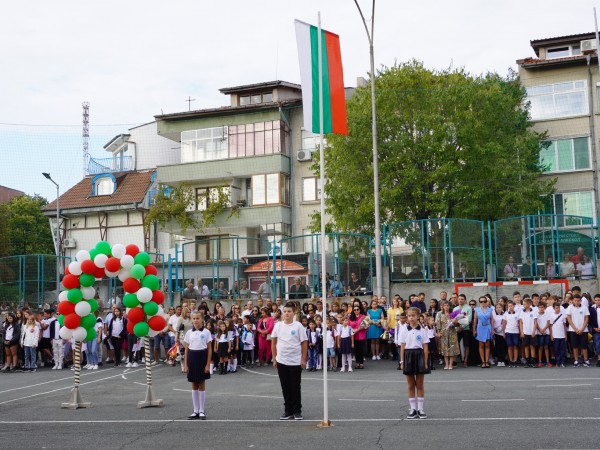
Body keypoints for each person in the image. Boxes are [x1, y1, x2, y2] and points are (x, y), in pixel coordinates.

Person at [271, 302, 308, 420]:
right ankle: (288, 410)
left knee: (295, 386)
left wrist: (303, 359)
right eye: (285, 311)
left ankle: (297, 411)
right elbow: (273, 342)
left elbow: (304, 343)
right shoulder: (278, 325)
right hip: (282, 360)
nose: (286, 314)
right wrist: (275, 358)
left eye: (289, 311)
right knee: (285, 386)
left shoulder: (298, 326)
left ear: (294, 313)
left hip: (295, 361)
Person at [399, 307, 429, 420]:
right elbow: (402, 346)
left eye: (413, 315)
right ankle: (412, 409)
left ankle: (421, 409)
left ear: (418, 316)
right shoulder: (403, 329)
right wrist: (402, 361)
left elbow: (425, 347)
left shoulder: (423, 330)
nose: (411, 317)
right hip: (408, 356)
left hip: (419, 355)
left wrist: (425, 362)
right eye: (409, 315)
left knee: (420, 384)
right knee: (411, 384)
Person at [183, 312, 212, 420]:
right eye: (194, 318)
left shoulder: (207, 332)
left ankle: (201, 410)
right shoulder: (189, 333)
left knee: (201, 383)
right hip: (192, 358)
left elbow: (209, 349)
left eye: (198, 318)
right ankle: (195, 410)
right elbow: (186, 349)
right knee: (194, 384)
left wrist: (208, 364)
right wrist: (185, 365)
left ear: (202, 320)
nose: (195, 320)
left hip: (202, 357)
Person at [566, 294, 590, 367]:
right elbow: (569, 319)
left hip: (584, 330)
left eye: (578, 301)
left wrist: (582, 329)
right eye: (575, 300)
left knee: (584, 346)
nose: (576, 302)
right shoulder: (569, 307)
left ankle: (586, 360)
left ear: (580, 301)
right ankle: (576, 360)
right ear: (573, 300)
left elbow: (587, 319)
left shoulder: (584, 307)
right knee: (575, 346)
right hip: (573, 330)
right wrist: (575, 329)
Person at [435, 301, 459, 370]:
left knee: (451, 348)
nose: (446, 307)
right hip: (443, 333)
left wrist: (454, 323)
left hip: (452, 333)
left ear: (450, 306)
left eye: (447, 305)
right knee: (445, 349)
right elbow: (438, 324)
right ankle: (446, 364)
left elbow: (457, 324)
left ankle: (451, 364)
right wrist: (438, 333)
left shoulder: (453, 314)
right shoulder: (439, 314)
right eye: (444, 305)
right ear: (442, 306)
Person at [473, 296, 493, 368]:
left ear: (486, 302)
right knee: (481, 345)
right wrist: (474, 330)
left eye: (484, 301)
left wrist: (492, 329)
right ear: (479, 302)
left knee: (487, 344)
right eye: (481, 302)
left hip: (488, 327)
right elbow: (475, 321)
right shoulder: (477, 310)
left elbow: (491, 320)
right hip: (480, 327)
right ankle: (483, 361)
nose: (483, 303)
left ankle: (487, 361)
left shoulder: (490, 309)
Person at [519, 298, 537, 368]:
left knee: (532, 346)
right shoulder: (522, 312)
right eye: (523, 304)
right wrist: (522, 332)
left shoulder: (533, 312)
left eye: (525, 304)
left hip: (532, 332)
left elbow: (535, 322)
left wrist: (533, 331)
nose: (523, 305)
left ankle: (532, 361)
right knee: (526, 346)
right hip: (525, 332)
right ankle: (527, 361)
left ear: (529, 304)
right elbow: (520, 323)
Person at [503, 301, 521, 367]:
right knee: (510, 346)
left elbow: (519, 324)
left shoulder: (518, 314)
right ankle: (511, 360)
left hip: (516, 332)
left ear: (514, 306)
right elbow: (504, 324)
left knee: (516, 346)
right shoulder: (505, 314)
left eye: (511, 306)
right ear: (507, 307)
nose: (510, 307)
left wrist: (520, 332)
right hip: (508, 332)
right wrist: (504, 333)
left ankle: (515, 360)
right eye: (509, 306)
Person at [550, 301, 567, 367]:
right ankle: (558, 362)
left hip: (562, 335)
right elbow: (550, 326)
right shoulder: (551, 316)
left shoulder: (563, 316)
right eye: (556, 308)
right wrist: (551, 335)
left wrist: (565, 335)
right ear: (554, 308)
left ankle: (562, 362)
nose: (558, 309)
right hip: (555, 336)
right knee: (556, 349)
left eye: (558, 308)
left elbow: (564, 326)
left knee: (563, 349)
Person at [535, 303, 551, 367]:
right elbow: (536, 323)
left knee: (546, 347)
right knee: (540, 347)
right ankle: (540, 362)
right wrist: (540, 330)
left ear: (544, 308)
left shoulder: (547, 314)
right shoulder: (536, 315)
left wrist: (543, 329)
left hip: (546, 333)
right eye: (540, 307)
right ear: (538, 308)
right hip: (539, 333)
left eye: (542, 307)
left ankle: (547, 361)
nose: (541, 308)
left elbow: (548, 323)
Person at [491, 303, 507, 367]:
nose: (498, 308)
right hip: (496, 333)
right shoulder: (493, 314)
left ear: (502, 308)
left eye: (500, 307)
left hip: (503, 333)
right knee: (498, 347)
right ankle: (499, 360)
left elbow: (505, 323)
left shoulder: (505, 314)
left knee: (503, 347)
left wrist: (503, 332)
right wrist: (493, 330)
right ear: (495, 308)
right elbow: (492, 322)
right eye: (497, 307)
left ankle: (503, 360)